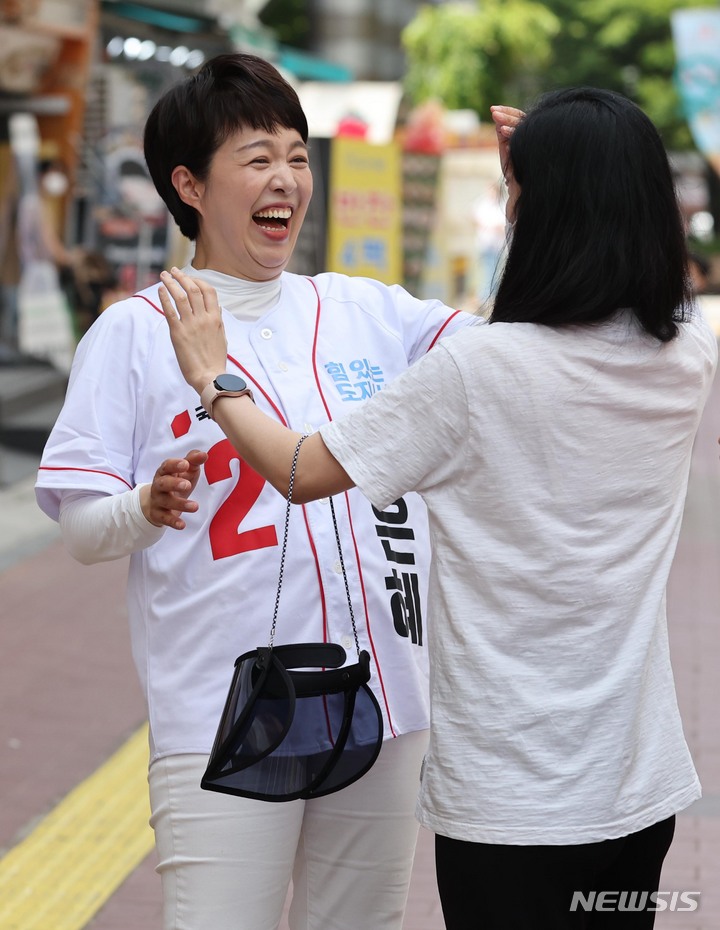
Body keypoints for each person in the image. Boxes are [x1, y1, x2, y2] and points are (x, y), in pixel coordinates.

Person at [157, 87, 717, 929]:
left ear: (539, 212)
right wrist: (563, 165)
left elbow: (302, 467)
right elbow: (597, 300)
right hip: (637, 789)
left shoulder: (478, 375)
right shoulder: (684, 357)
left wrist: (213, 377)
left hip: (510, 802)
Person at [35, 53, 474, 930]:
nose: (286, 180)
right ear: (190, 184)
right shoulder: (132, 334)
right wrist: (144, 507)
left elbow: (505, 352)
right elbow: (85, 529)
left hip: (389, 696)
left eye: (298, 156)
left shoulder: (367, 311)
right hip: (225, 707)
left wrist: (540, 192)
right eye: (258, 158)